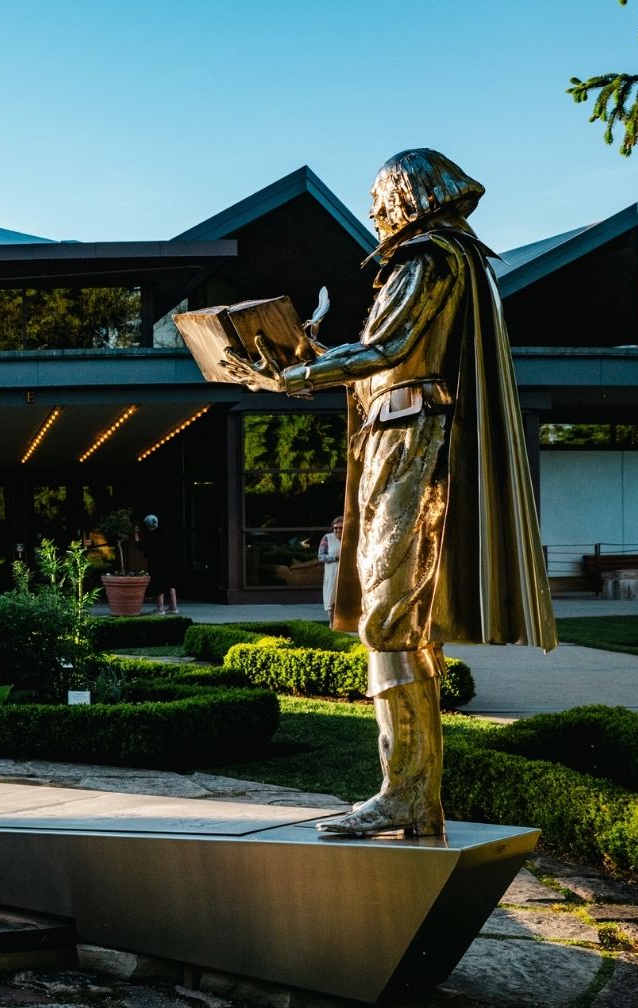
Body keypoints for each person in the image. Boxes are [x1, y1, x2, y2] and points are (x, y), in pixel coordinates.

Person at [249, 149, 556, 838]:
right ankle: (410, 794)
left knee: (388, 624)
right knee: (396, 627)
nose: (373, 212)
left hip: (414, 446)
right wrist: (311, 359)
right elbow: (384, 364)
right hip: (405, 440)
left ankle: (405, 794)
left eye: (379, 195)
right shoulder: (446, 260)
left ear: (409, 196)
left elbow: (385, 353)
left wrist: (292, 377)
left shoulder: (426, 259)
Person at [318, 516, 344, 616]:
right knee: (331, 602)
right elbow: (321, 557)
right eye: (335, 528)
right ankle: (332, 625)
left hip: (345, 575)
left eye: (341, 528)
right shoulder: (327, 538)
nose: (338, 530)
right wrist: (336, 557)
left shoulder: (351, 539)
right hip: (332, 574)